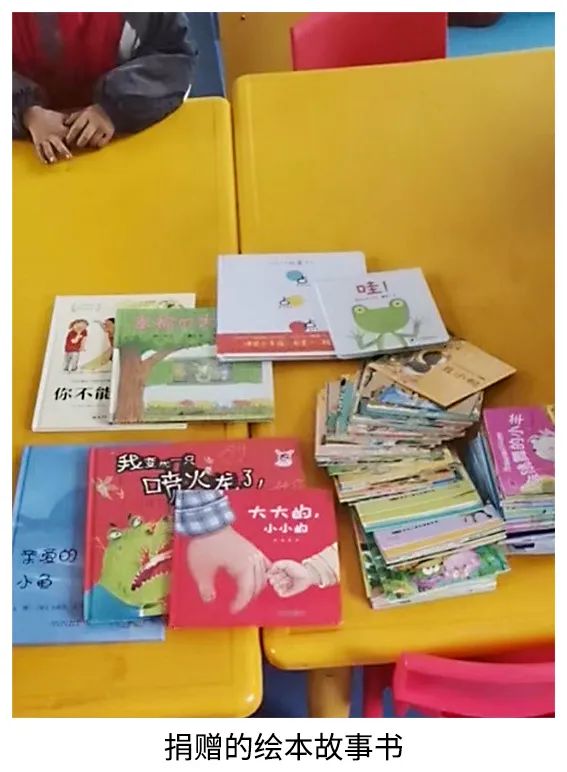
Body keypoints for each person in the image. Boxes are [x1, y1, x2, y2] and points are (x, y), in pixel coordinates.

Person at [12, 12, 198, 164]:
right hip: (30, 152)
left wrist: (113, 109)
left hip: (127, 146)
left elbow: (174, 56)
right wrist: (28, 114)